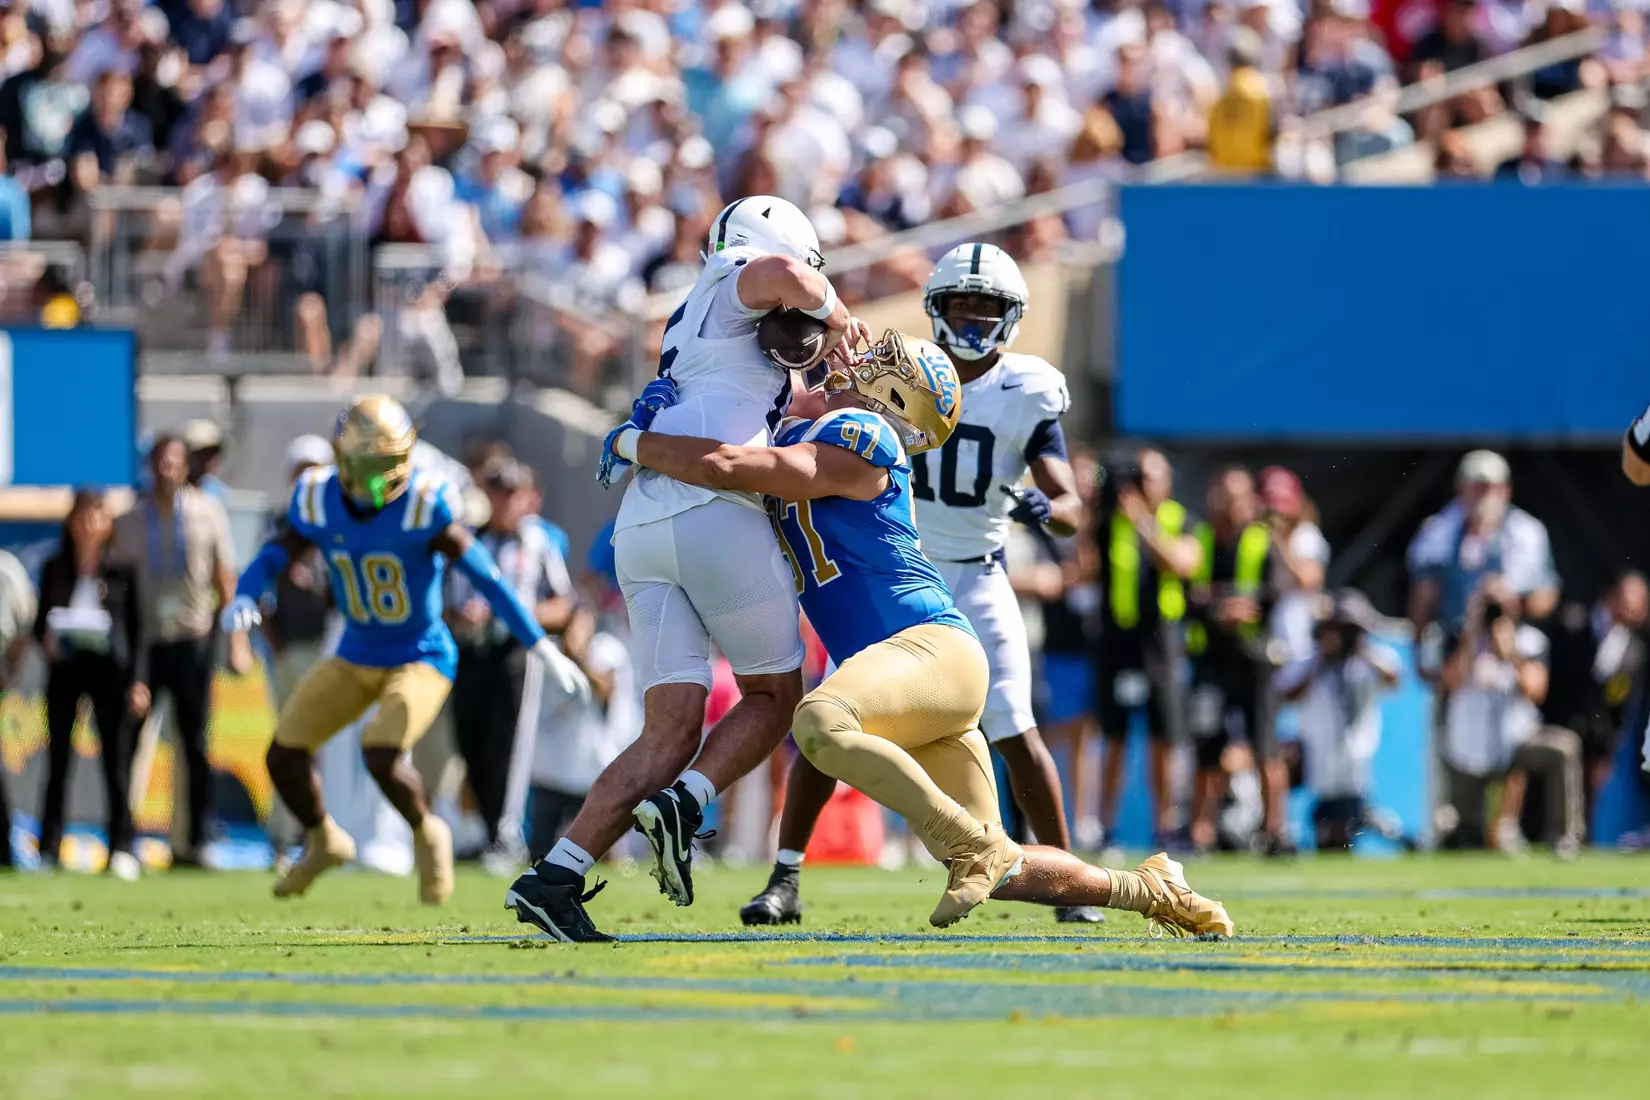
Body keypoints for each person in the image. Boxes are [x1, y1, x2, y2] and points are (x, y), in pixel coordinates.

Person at [566, 329, 1231, 941]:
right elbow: (749, 450)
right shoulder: (824, 432)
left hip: (928, 650)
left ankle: (974, 848)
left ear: (894, 398)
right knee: (1006, 868)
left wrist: (634, 441)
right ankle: (1147, 889)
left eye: (882, 364)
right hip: (905, 674)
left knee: (818, 720)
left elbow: (736, 466)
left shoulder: (863, 435)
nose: (857, 359)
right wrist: (675, 410)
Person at [505, 196, 865, 939]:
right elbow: (782, 274)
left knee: (666, 732)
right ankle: (686, 803)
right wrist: (841, 313)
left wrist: (852, 392)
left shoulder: (703, 326)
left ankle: (556, 873)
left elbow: (766, 406)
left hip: (644, 518)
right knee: (774, 695)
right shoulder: (743, 270)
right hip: (713, 511)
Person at [740, 243, 1096, 926]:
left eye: (983, 308)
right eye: (959, 305)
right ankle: (785, 875)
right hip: (897, 574)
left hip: (977, 577)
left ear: (1011, 316)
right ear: (935, 309)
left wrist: (1054, 512)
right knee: (834, 708)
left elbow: (1068, 498)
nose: (970, 318)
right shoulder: (901, 376)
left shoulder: (1027, 389)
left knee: (1015, 729)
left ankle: (1066, 883)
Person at [220, 395, 586, 906]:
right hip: (355, 653)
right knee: (283, 753)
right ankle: (325, 838)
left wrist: (536, 643)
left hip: (421, 654)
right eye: (370, 465)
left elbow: (485, 573)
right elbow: (277, 551)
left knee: (380, 750)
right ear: (343, 460)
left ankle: (427, 830)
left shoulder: (423, 504)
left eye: (390, 464)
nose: (380, 479)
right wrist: (245, 592)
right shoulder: (316, 498)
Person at [113, 432, 250, 867]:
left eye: (174, 461)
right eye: (159, 461)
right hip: (145, 643)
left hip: (193, 636)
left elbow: (224, 577)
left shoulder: (207, 511)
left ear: (185, 466)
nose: (166, 469)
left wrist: (237, 640)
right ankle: (124, 839)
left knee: (194, 742)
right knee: (132, 742)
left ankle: (193, 841)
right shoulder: (130, 519)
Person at [446, 456, 573, 867]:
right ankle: (487, 833)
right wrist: (460, 616)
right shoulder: (465, 539)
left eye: (508, 493)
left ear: (524, 497)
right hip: (468, 650)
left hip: (515, 652)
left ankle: (506, 836)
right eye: (493, 492)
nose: (500, 502)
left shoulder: (538, 541)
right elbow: (442, 600)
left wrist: (516, 612)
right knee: (469, 741)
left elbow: (563, 604)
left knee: (509, 745)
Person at [33, 490, 149, 879]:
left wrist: (137, 682)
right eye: (82, 515)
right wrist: (47, 639)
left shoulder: (122, 569)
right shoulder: (55, 567)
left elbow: (137, 631)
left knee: (115, 762)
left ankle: (121, 845)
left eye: (97, 514)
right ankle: (49, 846)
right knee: (58, 760)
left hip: (109, 673)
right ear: (70, 521)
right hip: (66, 670)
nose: (89, 522)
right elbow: (38, 623)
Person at [1096, 448, 1201, 850]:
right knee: (1115, 736)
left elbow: (1183, 564)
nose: (1141, 486)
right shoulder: (1110, 521)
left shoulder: (1179, 519)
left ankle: (1165, 827)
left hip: (1162, 645)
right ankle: (1104, 828)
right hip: (1117, 643)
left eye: (1150, 478)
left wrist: (1142, 521)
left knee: (1164, 738)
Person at [1186, 467, 1287, 854]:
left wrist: (1245, 607)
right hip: (1211, 659)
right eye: (1221, 497)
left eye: (1235, 498)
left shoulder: (1262, 540)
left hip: (1254, 658)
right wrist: (1220, 610)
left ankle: (1273, 830)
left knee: (1265, 745)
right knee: (1207, 745)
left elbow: (1274, 592)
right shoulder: (1202, 539)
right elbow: (1188, 595)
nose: (1227, 506)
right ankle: (1200, 830)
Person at [1276, 590, 1400, 851]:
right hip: (1320, 760)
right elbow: (1288, 692)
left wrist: (1361, 645)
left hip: (1356, 758)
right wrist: (1322, 655)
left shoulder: (1367, 660)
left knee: (1347, 823)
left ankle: (1364, 821)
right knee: (1328, 824)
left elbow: (1394, 678)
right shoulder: (1310, 661)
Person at [528, 607, 641, 860]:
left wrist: (579, 657)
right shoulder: (549, 652)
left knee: (602, 852)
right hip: (552, 769)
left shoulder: (606, 649)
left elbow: (605, 688)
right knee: (539, 853)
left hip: (593, 768)